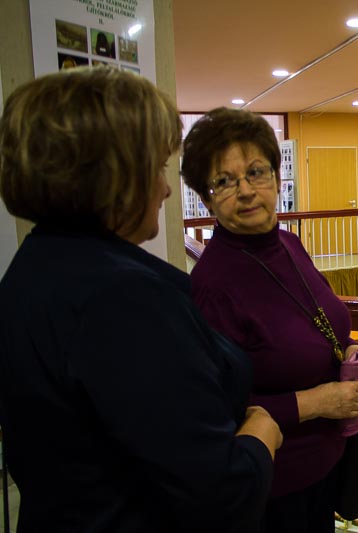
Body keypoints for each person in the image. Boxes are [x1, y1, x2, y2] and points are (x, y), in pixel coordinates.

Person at [0, 68, 282, 532]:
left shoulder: (32, 266)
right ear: (115, 175)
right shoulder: (121, 298)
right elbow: (221, 491)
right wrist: (261, 434)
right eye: (155, 168)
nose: (165, 188)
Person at [181, 107, 358, 532]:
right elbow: (218, 409)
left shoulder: (290, 244)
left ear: (277, 177)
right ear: (205, 198)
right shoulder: (212, 286)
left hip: (327, 467)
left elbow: (316, 322)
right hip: (275, 487)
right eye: (224, 181)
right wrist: (318, 402)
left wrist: (351, 350)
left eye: (256, 172)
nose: (246, 191)